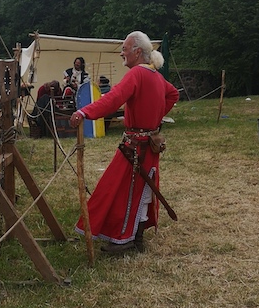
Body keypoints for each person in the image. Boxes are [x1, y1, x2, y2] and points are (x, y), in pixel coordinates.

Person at [69, 31, 179, 254]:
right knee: (140, 188)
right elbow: (173, 94)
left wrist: (84, 112)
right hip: (147, 144)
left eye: (125, 49)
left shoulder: (137, 73)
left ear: (137, 52)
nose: (122, 53)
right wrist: (154, 118)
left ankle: (128, 239)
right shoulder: (156, 76)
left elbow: (113, 98)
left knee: (124, 189)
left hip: (136, 146)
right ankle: (135, 238)